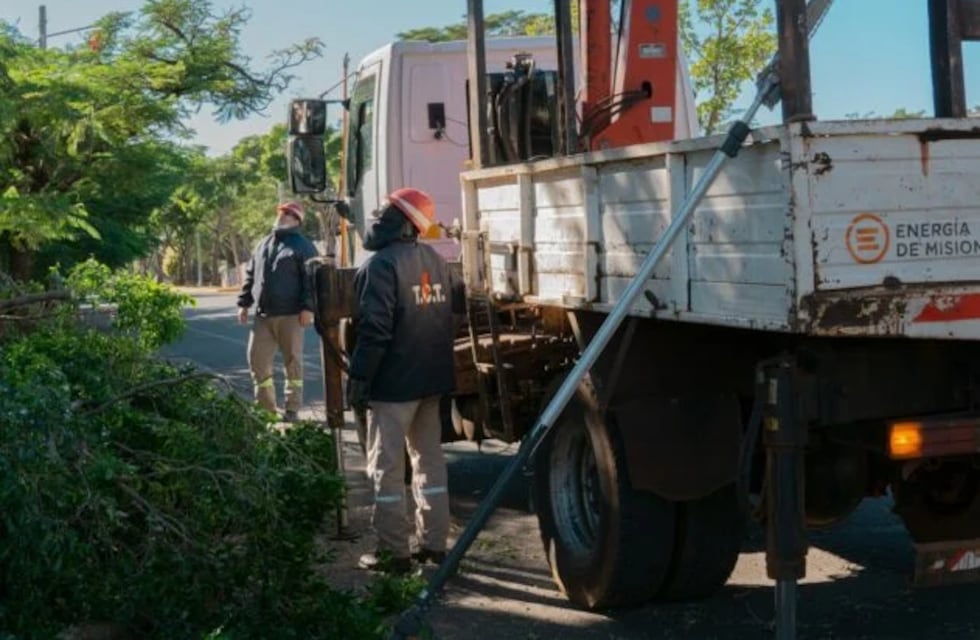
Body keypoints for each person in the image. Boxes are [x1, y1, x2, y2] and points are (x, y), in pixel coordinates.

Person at [347, 187, 464, 574]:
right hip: (431, 382)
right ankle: (433, 547)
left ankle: (393, 553)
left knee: (386, 469)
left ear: (403, 221)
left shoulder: (380, 266)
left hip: (393, 387)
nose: (377, 216)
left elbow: (375, 331)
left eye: (385, 210)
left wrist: (360, 378)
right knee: (429, 465)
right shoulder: (435, 259)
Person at [237, 201, 318, 422]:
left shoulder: (303, 246)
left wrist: (308, 307)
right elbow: (251, 275)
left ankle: (292, 408)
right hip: (263, 315)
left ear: (297, 220)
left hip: (291, 314)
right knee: (257, 359)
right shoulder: (263, 244)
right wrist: (244, 304)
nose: (283, 215)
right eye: (282, 212)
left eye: (290, 213)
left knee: (292, 361)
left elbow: (311, 280)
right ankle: (266, 409)